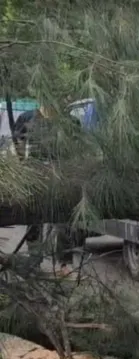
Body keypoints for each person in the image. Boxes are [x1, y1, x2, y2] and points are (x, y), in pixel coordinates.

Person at [13, 103, 76, 276]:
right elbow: (18, 141)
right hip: (36, 179)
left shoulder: (70, 122)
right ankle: (34, 261)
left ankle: (65, 263)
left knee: (64, 222)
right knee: (34, 221)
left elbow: (78, 150)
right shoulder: (27, 118)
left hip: (61, 180)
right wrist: (23, 166)